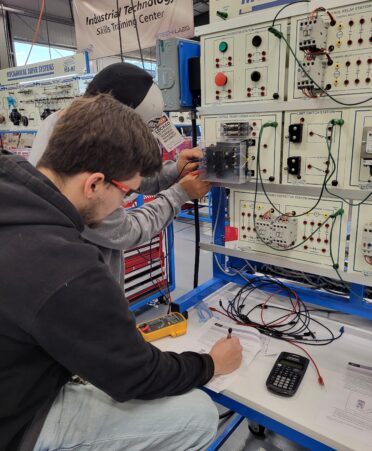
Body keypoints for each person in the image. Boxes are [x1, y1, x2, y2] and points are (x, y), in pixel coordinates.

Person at [0, 94, 243, 451]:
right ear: (95, 184)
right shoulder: (68, 267)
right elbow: (136, 376)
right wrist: (209, 364)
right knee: (197, 415)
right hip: (18, 421)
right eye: (127, 194)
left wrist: (171, 172)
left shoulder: (12, 185)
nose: (126, 204)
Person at [29, 62, 208, 286]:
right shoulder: (90, 153)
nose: (126, 193)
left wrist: (174, 171)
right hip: (87, 291)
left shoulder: (67, 123)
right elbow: (125, 230)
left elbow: (126, 177)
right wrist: (179, 194)